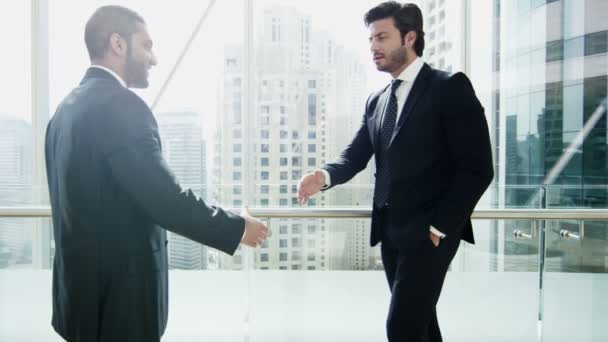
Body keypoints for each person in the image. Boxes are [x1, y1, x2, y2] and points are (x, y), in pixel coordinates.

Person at [45, 5, 268, 341]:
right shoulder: (122, 105)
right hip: (119, 305)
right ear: (117, 44)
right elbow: (164, 198)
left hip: (77, 300)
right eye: (146, 45)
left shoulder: (63, 111)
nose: (154, 58)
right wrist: (237, 228)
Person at [297, 2, 493, 341]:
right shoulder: (377, 100)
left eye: (382, 37)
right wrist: (323, 176)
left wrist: (441, 225)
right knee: (421, 326)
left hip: (430, 233)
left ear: (410, 37)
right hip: (390, 231)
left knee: (400, 327)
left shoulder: (449, 88)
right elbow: (355, 154)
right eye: (371, 39)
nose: (373, 47)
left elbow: (478, 168)